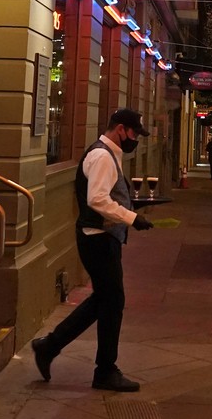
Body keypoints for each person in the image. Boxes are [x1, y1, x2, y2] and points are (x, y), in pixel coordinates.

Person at [30, 108, 155, 392]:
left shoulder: (108, 154)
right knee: (112, 302)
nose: (135, 139)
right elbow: (98, 200)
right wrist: (132, 218)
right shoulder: (102, 156)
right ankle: (104, 371)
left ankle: (49, 346)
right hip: (97, 238)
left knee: (105, 301)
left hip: (101, 237)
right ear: (121, 129)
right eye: (134, 133)